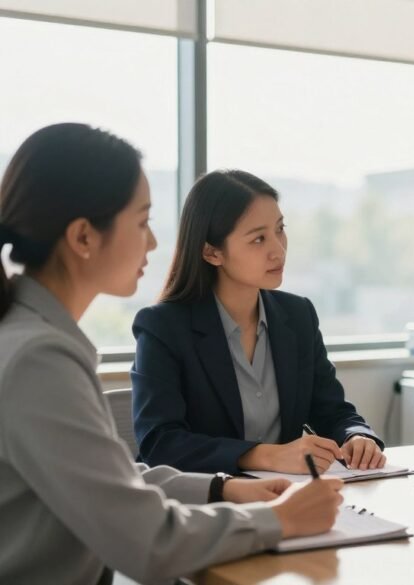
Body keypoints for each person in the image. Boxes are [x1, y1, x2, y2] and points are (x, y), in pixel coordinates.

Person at [0, 123, 344, 584]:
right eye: (142, 222)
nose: (155, 243)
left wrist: (226, 487)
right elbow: (148, 541)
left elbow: (116, 479)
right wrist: (282, 520)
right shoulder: (39, 360)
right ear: (83, 238)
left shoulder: (28, 338)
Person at [131, 169, 385, 475]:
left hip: (289, 497)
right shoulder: (163, 327)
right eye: (258, 239)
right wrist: (265, 456)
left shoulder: (298, 315)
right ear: (212, 252)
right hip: (206, 504)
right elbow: (161, 443)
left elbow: (331, 410)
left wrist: (357, 435)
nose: (278, 250)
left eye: (280, 229)